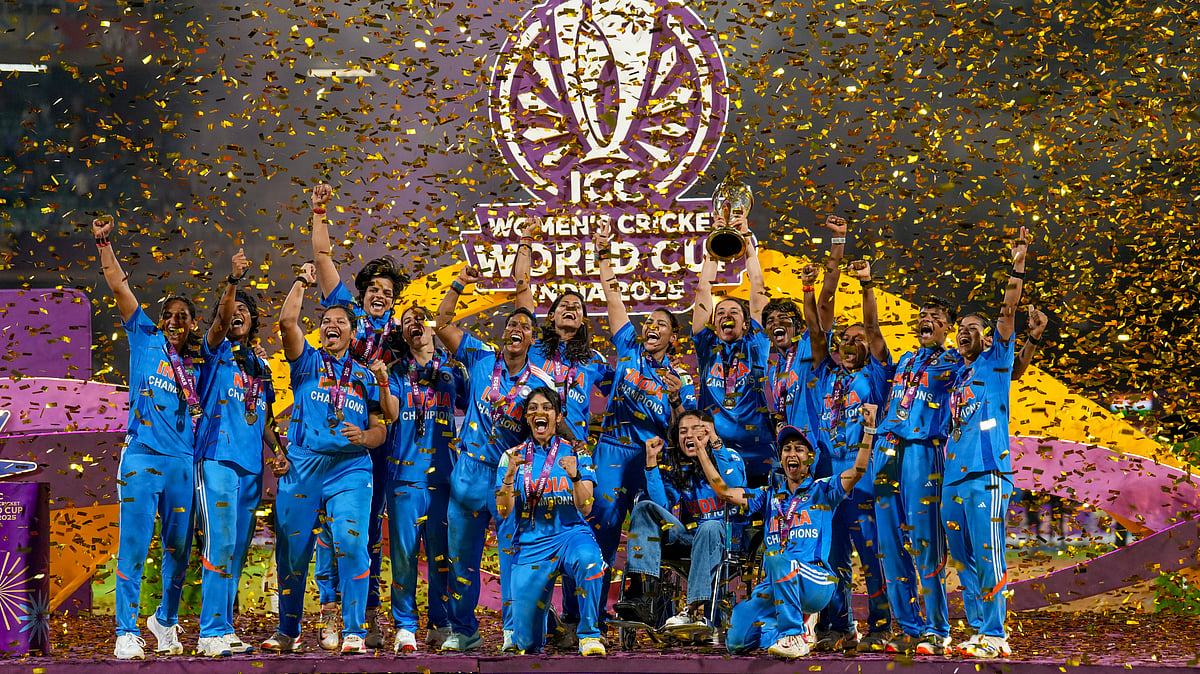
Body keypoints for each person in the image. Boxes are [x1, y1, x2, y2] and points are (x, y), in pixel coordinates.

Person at [260, 264, 394, 655]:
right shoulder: (306, 362)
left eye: (340, 321)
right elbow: (287, 320)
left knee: (352, 544)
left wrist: (365, 437)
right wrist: (301, 280)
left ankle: (353, 630)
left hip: (350, 468)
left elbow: (381, 429)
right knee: (292, 550)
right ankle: (289, 630)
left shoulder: (366, 376)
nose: (332, 325)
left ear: (353, 333)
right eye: (326, 321)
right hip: (303, 466)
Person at [93, 215, 201, 660]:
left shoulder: (201, 365)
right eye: (169, 315)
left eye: (183, 317)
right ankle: (125, 631)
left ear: (193, 325)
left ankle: (166, 622)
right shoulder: (145, 336)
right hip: (142, 457)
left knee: (179, 550)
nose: (175, 321)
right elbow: (119, 285)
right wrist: (104, 244)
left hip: (182, 463)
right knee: (135, 547)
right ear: (161, 319)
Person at [308, 182, 408, 648]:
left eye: (388, 292)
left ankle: (364, 613)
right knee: (330, 527)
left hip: (377, 436)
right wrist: (321, 209)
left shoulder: (401, 335)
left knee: (366, 530)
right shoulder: (344, 314)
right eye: (374, 288)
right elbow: (324, 258)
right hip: (332, 434)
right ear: (361, 292)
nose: (380, 296)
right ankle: (330, 611)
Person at [434, 266, 555, 652]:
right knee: (461, 558)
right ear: (504, 334)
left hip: (508, 475)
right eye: (512, 324)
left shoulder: (541, 382)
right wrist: (457, 284)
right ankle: (464, 630)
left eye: (526, 326)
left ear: (533, 339)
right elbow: (442, 324)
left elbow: (553, 427)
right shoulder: (480, 355)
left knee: (512, 557)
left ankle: (512, 631)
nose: (517, 328)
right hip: (468, 471)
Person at [512, 216, 614, 645]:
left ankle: (579, 619)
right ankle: (537, 615)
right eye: (562, 306)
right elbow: (521, 293)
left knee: (586, 528)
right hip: (534, 455)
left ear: (583, 320)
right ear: (550, 317)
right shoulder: (533, 348)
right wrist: (525, 244)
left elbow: (629, 388)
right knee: (531, 531)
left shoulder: (594, 362)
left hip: (575, 456)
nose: (569, 309)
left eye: (578, 307)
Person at [706, 406, 879, 658]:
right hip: (776, 584)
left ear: (811, 458)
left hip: (816, 581)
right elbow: (724, 491)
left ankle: (793, 634)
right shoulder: (768, 496)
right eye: (787, 449)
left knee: (776, 557)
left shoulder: (823, 489)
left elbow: (859, 470)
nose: (792, 453)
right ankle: (790, 630)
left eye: (799, 449)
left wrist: (869, 429)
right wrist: (703, 449)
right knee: (737, 639)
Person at [590, 216, 696, 621]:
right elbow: (614, 298)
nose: (651, 327)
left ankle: (645, 609)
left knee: (648, 533)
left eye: (661, 325)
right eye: (649, 322)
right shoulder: (629, 350)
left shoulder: (680, 379)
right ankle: (589, 612)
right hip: (613, 451)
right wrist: (603, 250)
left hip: (653, 459)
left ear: (673, 337)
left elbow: (685, 432)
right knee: (604, 528)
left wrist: (675, 400)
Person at [194, 249, 290, 656]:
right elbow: (218, 321)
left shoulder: (261, 368)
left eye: (243, 313)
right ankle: (208, 630)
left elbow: (264, 418)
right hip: (217, 458)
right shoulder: (215, 352)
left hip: (251, 469)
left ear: (253, 324)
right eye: (231, 311)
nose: (235, 316)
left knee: (234, 548)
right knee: (218, 544)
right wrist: (232, 282)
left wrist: (279, 451)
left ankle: (224, 625)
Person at [941, 229, 1029, 658]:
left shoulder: (997, 362)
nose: (963, 333)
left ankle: (996, 634)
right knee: (963, 560)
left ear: (989, 338)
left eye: (971, 328)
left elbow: (1008, 310)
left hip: (988, 474)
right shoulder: (957, 375)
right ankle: (977, 630)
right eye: (960, 328)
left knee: (988, 552)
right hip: (953, 478)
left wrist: (1018, 262)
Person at [801, 260, 893, 651]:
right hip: (827, 481)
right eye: (845, 339)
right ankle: (839, 624)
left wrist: (867, 284)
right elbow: (817, 333)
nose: (849, 344)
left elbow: (872, 330)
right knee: (832, 555)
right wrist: (808, 290)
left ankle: (881, 625)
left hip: (865, 479)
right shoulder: (826, 373)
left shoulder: (875, 375)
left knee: (872, 558)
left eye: (858, 339)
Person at [871, 293, 962, 655]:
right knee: (890, 547)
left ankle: (938, 629)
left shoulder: (957, 361)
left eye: (936, 315)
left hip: (924, 452)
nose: (926, 319)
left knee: (925, 544)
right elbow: (875, 339)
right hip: (887, 449)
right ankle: (910, 626)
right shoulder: (906, 360)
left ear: (949, 327)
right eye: (923, 315)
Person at [494, 387, 607, 656]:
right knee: (527, 643)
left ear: (558, 417)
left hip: (571, 536)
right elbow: (502, 511)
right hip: (532, 545)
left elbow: (587, 506)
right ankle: (548, 623)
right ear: (526, 418)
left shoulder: (577, 452)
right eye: (533, 408)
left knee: (589, 560)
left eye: (546, 407)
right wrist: (510, 475)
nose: (539, 412)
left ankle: (589, 634)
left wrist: (576, 476)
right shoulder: (512, 456)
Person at [381, 305, 466, 653]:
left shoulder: (453, 371)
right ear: (403, 335)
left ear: (432, 326)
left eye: (420, 318)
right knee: (403, 554)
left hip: (445, 476)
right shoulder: (396, 372)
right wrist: (384, 380)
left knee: (442, 555)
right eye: (407, 322)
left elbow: (475, 406)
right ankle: (404, 625)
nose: (414, 324)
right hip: (404, 476)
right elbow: (388, 413)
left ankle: (440, 622)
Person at [617, 410, 745, 630]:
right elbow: (662, 506)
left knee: (711, 526)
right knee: (645, 507)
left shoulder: (729, 454)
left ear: (708, 431)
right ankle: (642, 596)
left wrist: (713, 444)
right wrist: (651, 463)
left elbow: (735, 483)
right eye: (683, 432)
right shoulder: (679, 466)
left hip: (726, 537)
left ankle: (691, 609)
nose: (689, 436)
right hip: (690, 538)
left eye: (696, 430)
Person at [691, 208, 774, 482]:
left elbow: (758, 286)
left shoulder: (756, 344)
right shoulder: (706, 347)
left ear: (747, 324)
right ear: (714, 324)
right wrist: (715, 244)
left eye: (734, 313)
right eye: (721, 313)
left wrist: (747, 242)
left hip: (760, 453)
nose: (726, 316)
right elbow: (704, 291)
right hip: (717, 452)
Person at [765, 215, 846, 438]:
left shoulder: (808, 347)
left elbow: (827, 295)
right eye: (770, 321)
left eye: (783, 318)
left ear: (799, 326)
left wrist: (838, 240)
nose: (776, 323)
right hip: (794, 452)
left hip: (821, 448)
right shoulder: (773, 369)